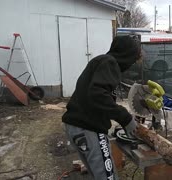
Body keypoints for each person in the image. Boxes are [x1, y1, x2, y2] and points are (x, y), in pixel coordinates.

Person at [62, 35, 141, 180]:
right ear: (126, 55)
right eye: (133, 59)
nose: (132, 64)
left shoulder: (101, 61)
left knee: (97, 175)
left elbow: (94, 94)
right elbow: (97, 95)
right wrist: (125, 118)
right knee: (107, 177)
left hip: (76, 126)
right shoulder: (110, 63)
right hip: (88, 128)